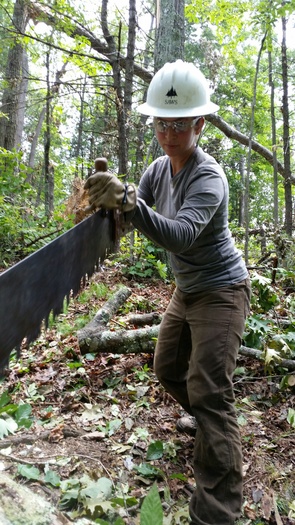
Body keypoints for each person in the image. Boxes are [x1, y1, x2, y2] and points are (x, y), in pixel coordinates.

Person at [84, 59, 251, 525]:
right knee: (168, 369)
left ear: (199, 124)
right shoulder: (160, 169)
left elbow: (177, 234)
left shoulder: (209, 177)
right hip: (187, 289)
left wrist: (130, 205)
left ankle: (218, 510)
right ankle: (205, 424)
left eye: (179, 124)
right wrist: (107, 207)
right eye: (161, 123)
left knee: (210, 389)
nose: (169, 132)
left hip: (221, 290)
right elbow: (135, 206)